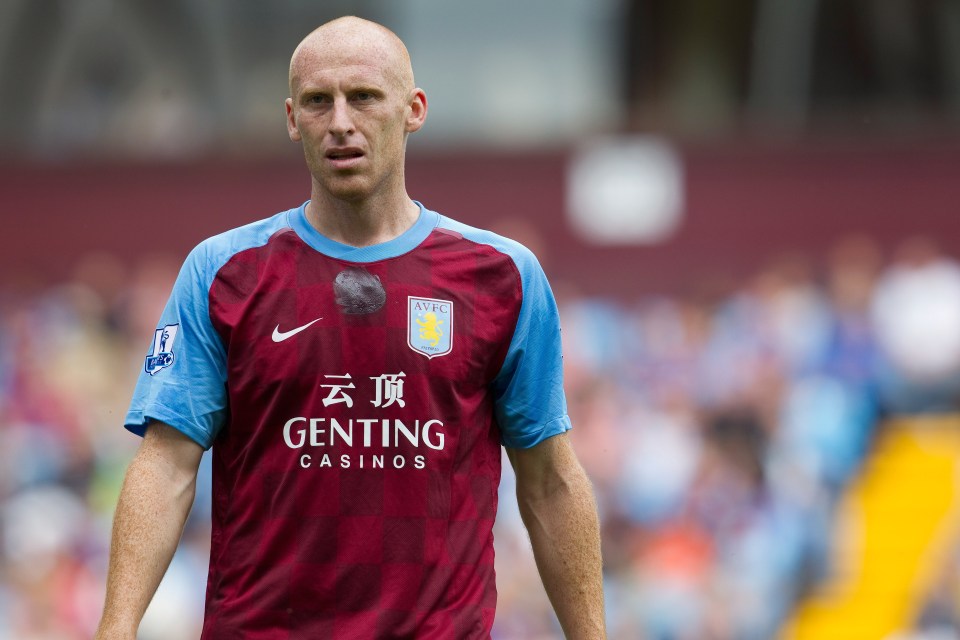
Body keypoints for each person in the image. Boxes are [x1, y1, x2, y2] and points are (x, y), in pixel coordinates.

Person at [95, 15, 606, 640]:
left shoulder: (501, 276)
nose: (340, 122)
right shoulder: (224, 271)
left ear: (413, 109)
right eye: (317, 101)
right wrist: (114, 631)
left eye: (363, 97)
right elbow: (167, 466)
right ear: (291, 118)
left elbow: (550, 481)